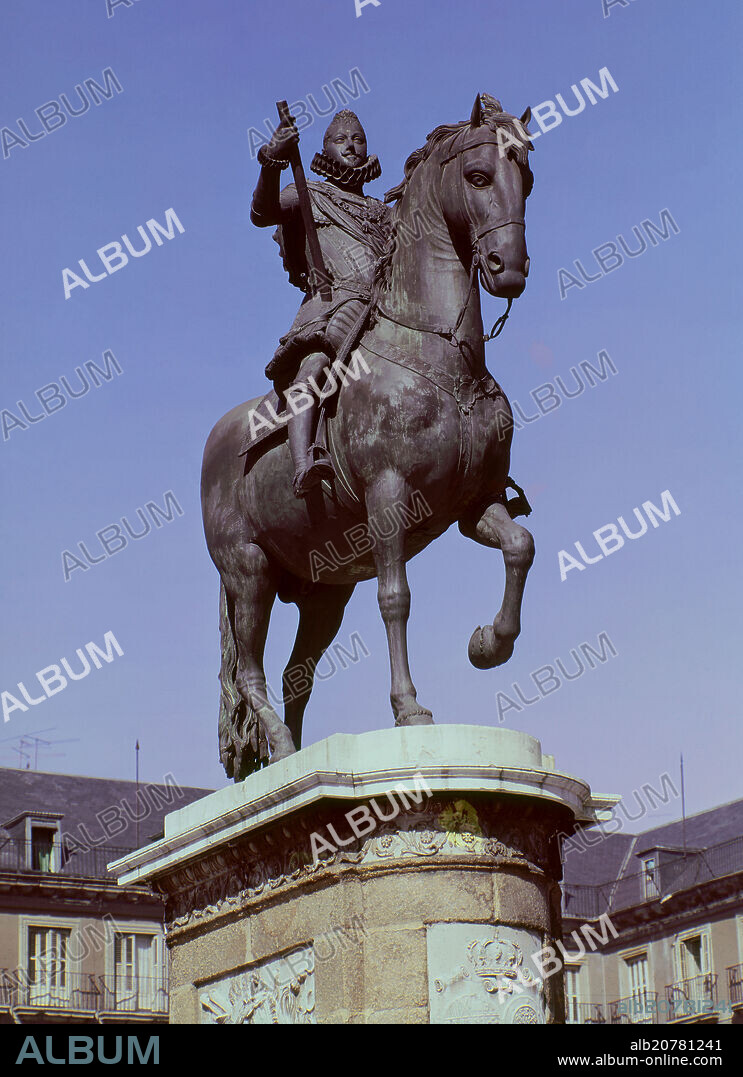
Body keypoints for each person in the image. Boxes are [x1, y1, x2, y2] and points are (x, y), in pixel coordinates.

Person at [251, 108, 391, 496]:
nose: (351, 145)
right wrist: (271, 161)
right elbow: (262, 213)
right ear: (325, 148)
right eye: (341, 139)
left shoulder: (382, 212)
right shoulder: (308, 194)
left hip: (380, 311)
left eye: (358, 139)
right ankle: (303, 465)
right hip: (331, 310)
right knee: (313, 369)